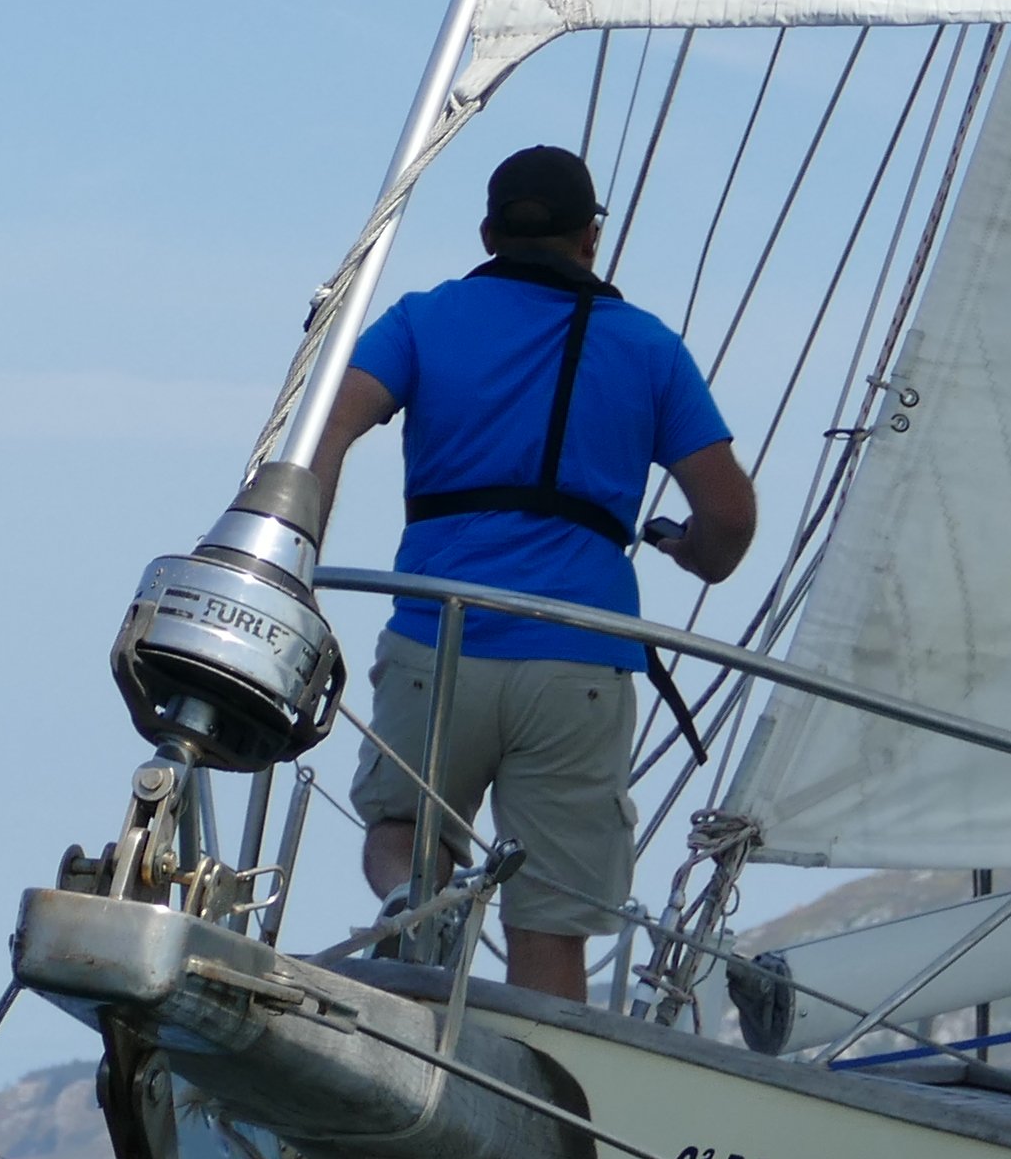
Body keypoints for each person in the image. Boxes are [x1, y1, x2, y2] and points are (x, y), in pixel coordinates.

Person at [315, 144, 759, 999]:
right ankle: (540, 1097)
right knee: (551, 921)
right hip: (580, 660)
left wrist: (299, 560)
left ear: (487, 233)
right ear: (590, 239)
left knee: (406, 826)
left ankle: (416, 899)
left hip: (436, 637)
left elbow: (329, 429)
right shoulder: (648, 349)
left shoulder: (422, 320)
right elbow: (731, 517)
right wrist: (693, 555)